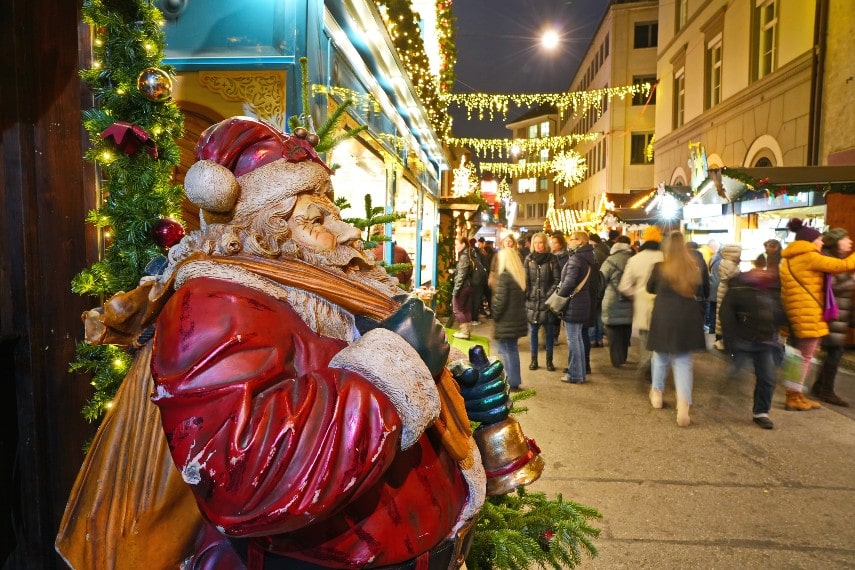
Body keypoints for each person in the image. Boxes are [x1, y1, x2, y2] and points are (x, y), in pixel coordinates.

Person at [61, 117, 525, 569]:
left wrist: (460, 399)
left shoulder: (329, 289)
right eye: (317, 217)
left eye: (334, 212)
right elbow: (242, 475)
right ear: (267, 228)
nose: (345, 231)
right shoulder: (214, 302)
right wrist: (393, 368)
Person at [780, 218, 855, 411]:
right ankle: (793, 397)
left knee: (799, 356)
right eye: (819, 239)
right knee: (805, 356)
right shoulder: (808, 256)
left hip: (797, 311)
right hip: (808, 311)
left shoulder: (789, 258)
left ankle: (796, 394)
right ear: (810, 241)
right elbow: (841, 266)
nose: (822, 242)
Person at [646, 232, 707, 427]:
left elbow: (650, 288)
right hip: (687, 316)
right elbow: (702, 290)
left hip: (664, 314)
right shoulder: (693, 267)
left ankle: (657, 393)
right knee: (682, 361)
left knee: (660, 356)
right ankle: (683, 406)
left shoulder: (659, 267)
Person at [720, 257, 787, 429]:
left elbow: (778, 313)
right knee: (736, 372)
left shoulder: (769, 289)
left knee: (767, 379)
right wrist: (730, 341)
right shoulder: (738, 288)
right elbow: (726, 316)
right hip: (744, 340)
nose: (765, 273)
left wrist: (787, 326)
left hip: (766, 342)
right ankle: (723, 395)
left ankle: (761, 413)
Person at [809, 228, 855, 406]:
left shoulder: (839, 259)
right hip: (831, 315)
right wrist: (853, 279)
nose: (850, 241)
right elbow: (831, 286)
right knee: (834, 353)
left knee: (834, 352)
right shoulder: (829, 260)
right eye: (846, 238)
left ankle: (820, 387)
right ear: (837, 241)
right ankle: (825, 391)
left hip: (838, 315)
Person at [618, 225, 664, 381]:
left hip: (643, 305)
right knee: (661, 342)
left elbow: (624, 286)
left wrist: (637, 294)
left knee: (645, 340)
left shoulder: (634, 259)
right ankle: (657, 372)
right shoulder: (665, 258)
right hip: (663, 305)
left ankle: (647, 367)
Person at [556, 232, 597, 383]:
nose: (568, 242)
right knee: (578, 339)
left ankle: (575, 375)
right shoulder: (588, 257)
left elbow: (569, 282)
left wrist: (559, 296)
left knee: (573, 339)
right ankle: (579, 373)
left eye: (572, 239)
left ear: (580, 241)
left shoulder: (576, 258)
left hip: (574, 303)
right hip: (583, 301)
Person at [491, 246, 529, 391]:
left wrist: (494, 313)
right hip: (516, 319)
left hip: (506, 320)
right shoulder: (518, 276)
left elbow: (500, 302)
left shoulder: (504, 277)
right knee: (511, 349)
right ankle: (514, 379)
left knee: (506, 350)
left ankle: (510, 380)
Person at [524, 232, 560, 371]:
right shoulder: (529, 259)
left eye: (541, 242)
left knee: (549, 333)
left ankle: (549, 361)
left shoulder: (552, 259)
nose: (539, 245)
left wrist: (548, 295)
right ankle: (534, 360)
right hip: (532, 302)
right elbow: (526, 280)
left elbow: (557, 280)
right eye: (536, 242)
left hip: (548, 302)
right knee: (533, 332)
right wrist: (528, 293)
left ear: (545, 244)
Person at [601, 236, 634, 367]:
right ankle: (624, 356)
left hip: (612, 299)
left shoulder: (610, 260)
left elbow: (602, 278)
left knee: (613, 331)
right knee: (626, 329)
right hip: (630, 299)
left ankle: (616, 359)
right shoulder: (632, 260)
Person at [713, 244, 743, 350]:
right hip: (727, 292)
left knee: (720, 315)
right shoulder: (731, 266)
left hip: (723, 289)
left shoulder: (724, 262)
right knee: (725, 316)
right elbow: (736, 275)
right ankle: (722, 341)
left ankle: (719, 339)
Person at [587, 233, 609, 348]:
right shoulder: (606, 250)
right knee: (599, 314)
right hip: (603, 286)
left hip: (594, 285)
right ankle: (599, 338)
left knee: (592, 313)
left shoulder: (594, 253)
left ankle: (592, 339)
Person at [452, 236, 475, 339]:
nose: (455, 246)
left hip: (463, 287)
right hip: (469, 286)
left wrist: (455, 291)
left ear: (463, 244)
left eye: (457, 244)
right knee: (465, 309)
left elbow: (461, 275)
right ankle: (467, 331)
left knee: (457, 309)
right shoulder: (470, 254)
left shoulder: (464, 256)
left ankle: (464, 332)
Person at [687, 241, 711, 324]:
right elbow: (705, 278)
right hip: (699, 293)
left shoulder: (681, 259)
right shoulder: (701, 259)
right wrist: (707, 294)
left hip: (685, 294)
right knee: (698, 319)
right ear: (697, 248)